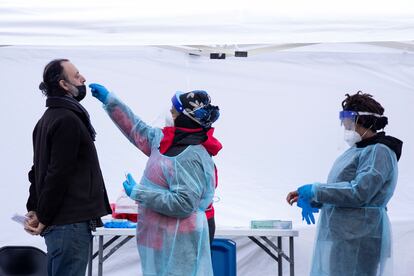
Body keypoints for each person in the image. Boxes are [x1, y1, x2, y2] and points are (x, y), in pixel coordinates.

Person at [89, 83, 222, 276]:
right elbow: (137, 130)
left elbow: (184, 203)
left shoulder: (191, 155)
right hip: (162, 233)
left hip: (182, 237)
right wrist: (110, 101)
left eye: (174, 112)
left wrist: (139, 193)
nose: (169, 113)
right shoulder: (166, 140)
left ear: (186, 118)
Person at [286, 91, 402, 276]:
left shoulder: (379, 151)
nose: (344, 124)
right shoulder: (357, 151)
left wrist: (317, 190)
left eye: (348, 119)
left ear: (363, 120)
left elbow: (360, 192)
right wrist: (313, 198)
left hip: (361, 236)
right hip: (347, 236)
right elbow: (344, 190)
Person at [24, 59, 112, 276]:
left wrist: (35, 209)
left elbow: (38, 171)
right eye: (77, 75)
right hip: (69, 225)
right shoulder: (67, 120)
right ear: (64, 85)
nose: (83, 79)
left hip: (62, 226)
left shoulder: (47, 119)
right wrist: (42, 215)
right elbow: (56, 174)